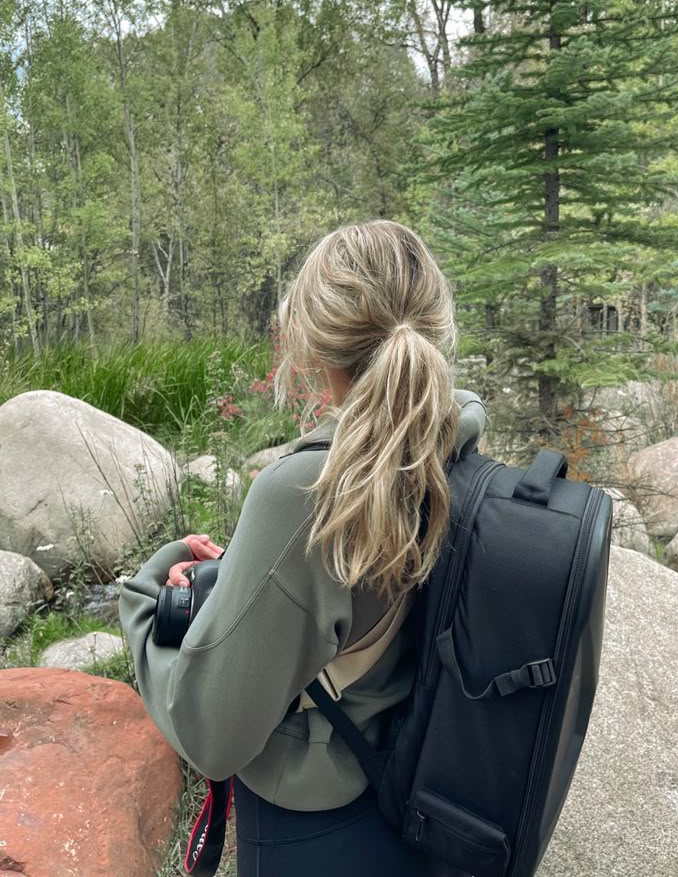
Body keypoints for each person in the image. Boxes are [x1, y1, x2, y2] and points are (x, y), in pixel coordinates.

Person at [119, 219, 486, 876]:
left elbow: (212, 737)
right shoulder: (452, 443)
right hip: (420, 800)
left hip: (318, 833)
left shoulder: (304, 491)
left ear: (315, 344)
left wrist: (146, 594)